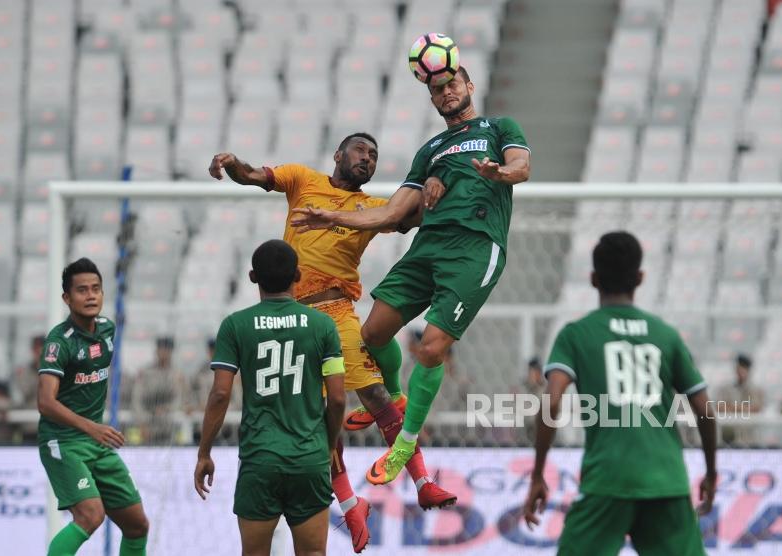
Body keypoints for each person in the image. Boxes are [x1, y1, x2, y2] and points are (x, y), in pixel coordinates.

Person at [209, 133, 456, 550]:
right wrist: (232, 164)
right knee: (316, 416)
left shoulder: (373, 208)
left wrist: (437, 185)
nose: (368, 158)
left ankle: (423, 481)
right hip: (291, 316)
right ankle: (350, 502)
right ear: (339, 154)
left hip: (336, 313)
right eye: (361, 150)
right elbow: (252, 175)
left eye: (374, 155)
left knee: (376, 396)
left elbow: (416, 215)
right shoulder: (302, 180)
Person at [291, 66, 531, 483]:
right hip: (429, 246)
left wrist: (499, 173)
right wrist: (331, 214)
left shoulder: (499, 126)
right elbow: (391, 212)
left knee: (432, 348)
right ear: (432, 98)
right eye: (437, 89)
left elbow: (521, 166)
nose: (446, 92)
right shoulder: (431, 150)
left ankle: (405, 443)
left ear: (469, 87)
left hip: (474, 246)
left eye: (452, 84)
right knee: (372, 335)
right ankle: (398, 397)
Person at [522, 232, 716, 555]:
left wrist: (539, 473)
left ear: (594, 279)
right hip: (665, 481)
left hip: (607, 481)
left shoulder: (576, 334)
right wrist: (710, 472)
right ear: (640, 278)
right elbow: (705, 409)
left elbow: (552, 401)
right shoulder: (665, 335)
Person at [194, 240, 346, 556]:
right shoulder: (323, 325)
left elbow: (221, 393)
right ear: (298, 275)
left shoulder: (235, 325)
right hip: (308, 456)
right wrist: (328, 444)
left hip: (260, 457)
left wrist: (204, 452)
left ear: (252, 277)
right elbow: (338, 399)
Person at [37, 258, 149, 556]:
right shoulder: (59, 342)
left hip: (96, 444)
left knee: (137, 525)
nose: (90, 296)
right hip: (63, 441)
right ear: (66, 298)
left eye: (96, 289)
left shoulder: (107, 330)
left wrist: (94, 432)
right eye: (82, 290)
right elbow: (45, 402)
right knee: (90, 516)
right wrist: (92, 427)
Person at [131, 337, 188, 445]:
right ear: (156, 351)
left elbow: (180, 399)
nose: (164, 353)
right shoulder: (146, 373)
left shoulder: (177, 373)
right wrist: (142, 423)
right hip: (148, 425)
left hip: (170, 428)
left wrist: (166, 408)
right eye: (161, 349)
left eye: (167, 350)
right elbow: (137, 400)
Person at [717, 353, 763, 445]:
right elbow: (720, 407)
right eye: (739, 368)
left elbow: (756, 409)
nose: (741, 371)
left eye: (743, 368)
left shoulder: (756, 390)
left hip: (748, 438)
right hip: (729, 438)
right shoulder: (726, 388)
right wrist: (743, 408)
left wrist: (732, 407)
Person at [14, 334, 45, 408]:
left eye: (41, 348)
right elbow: (26, 392)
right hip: (30, 411)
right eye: (36, 348)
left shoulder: (55, 369)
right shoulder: (24, 371)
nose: (39, 351)